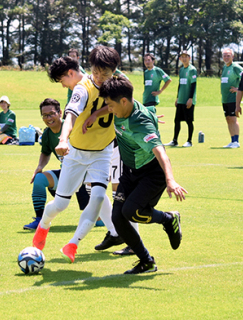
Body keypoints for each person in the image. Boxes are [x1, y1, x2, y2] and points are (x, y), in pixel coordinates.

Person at [32, 46, 123, 263]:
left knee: (99, 197)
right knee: (60, 205)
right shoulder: (82, 89)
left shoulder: (116, 82)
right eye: (97, 73)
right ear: (91, 68)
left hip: (102, 152)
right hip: (76, 154)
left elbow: (126, 104)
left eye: (105, 73)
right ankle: (43, 226)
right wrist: (63, 140)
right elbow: (70, 116)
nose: (101, 78)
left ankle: (73, 243)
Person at [99, 75, 187, 274]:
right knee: (117, 218)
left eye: (110, 105)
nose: (109, 109)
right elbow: (149, 110)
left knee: (131, 211)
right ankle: (146, 262)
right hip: (130, 171)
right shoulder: (125, 105)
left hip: (152, 173)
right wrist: (95, 116)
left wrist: (170, 180)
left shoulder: (139, 122)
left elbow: (160, 151)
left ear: (123, 101)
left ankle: (168, 219)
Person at [23, 98, 90, 230]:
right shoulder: (47, 134)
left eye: (52, 113)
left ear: (60, 113)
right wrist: (39, 167)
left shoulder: (73, 127)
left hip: (85, 177)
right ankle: (40, 220)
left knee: (97, 220)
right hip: (66, 175)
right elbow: (45, 152)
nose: (48, 118)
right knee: (39, 179)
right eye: (45, 115)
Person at [164, 50, 197, 148]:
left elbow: (193, 84)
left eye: (186, 56)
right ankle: (175, 140)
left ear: (189, 58)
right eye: (182, 56)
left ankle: (189, 141)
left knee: (189, 121)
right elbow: (180, 84)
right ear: (180, 59)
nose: (184, 58)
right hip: (181, 99)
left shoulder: (192, 70)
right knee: (177, 120)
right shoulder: (181, 70)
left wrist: (190, 98)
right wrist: (177, 97)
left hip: (188, 100)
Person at [220, 48, 243, 148]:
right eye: (224, 55)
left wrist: (239, 89)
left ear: (232, 56)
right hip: (225, 99)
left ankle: (236, 141)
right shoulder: (225, 67)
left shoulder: (235, 67)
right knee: (228, 119)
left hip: (233, 99)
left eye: (228, 55)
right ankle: (232, 140)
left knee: (233, 119)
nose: (226, 57)